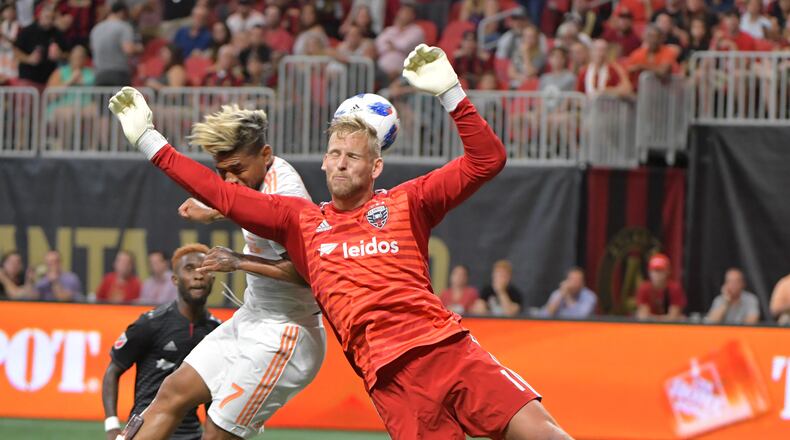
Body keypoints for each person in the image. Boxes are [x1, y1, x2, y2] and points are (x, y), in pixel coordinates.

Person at [110, 43, 570, 440]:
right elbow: (222, 193)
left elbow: (487, 159)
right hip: (393, 383)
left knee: (544, 433)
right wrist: (151, 142)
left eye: (354, 155)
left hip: (450, 351)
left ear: (376, 168)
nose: (342, 162)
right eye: (334, 154)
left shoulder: (411, 201)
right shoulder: (301, 221)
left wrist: (452, 94)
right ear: (324, 166)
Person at [115, 103, 326, 440]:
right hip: (251, 318)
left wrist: (238, 261)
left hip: (288, 332)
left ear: (266, 154)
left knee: (217, 430)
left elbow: (310, 275)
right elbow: (246, 204)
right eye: (222, 171)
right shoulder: (255, 181)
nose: (229, 180)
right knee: (172, 391)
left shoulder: (286, 193)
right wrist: (218, 210)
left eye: (237, 168)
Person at [102, 244, 221, 440]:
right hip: (146, 431)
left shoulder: (217, 332)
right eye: (189, 269)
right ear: (174, 279)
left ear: (213, 279)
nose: (198, 275)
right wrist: (111, 426)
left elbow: (213, 391)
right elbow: (112, 371)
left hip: (191, 435)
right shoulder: (150, 323)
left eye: (204, 269)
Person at [89, 1, 142, 86]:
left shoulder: (96, 29)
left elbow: (92, 49)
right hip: (119, 74)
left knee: (103, 99)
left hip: (99, 75)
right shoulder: (123, 27)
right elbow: (128, 49)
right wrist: (138, 48)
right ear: (122, 13)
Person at [13, 4, 66, 88]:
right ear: (40, 16)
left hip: (49, 81)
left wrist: (60, 55)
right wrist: (28, 59)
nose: (49, 21)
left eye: (52, 18)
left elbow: (69, 54)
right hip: (28, 80)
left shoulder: (57, 33)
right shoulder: (27, 31)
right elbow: (16, 51)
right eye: (47, 17)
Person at [374, 4, 425, 80]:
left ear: (412, 16)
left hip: (402, 72)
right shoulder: (390, 29)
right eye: (401, 11)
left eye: (406, 12)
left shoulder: (416, 31)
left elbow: (404, 45)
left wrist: (391, 44)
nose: (402, 14)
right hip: (380, 68)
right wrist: (393, 45)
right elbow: (379, 45)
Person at [635, 253, 686, 321]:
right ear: (649, 272)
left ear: (668, 271)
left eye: (661, 270)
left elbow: (674, 316)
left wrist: (652, 318)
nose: (657, 274)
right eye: (654, 270)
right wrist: (665, 318)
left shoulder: (674, 288)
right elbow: (644, 316)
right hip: (649, 328)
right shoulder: (644, 288)